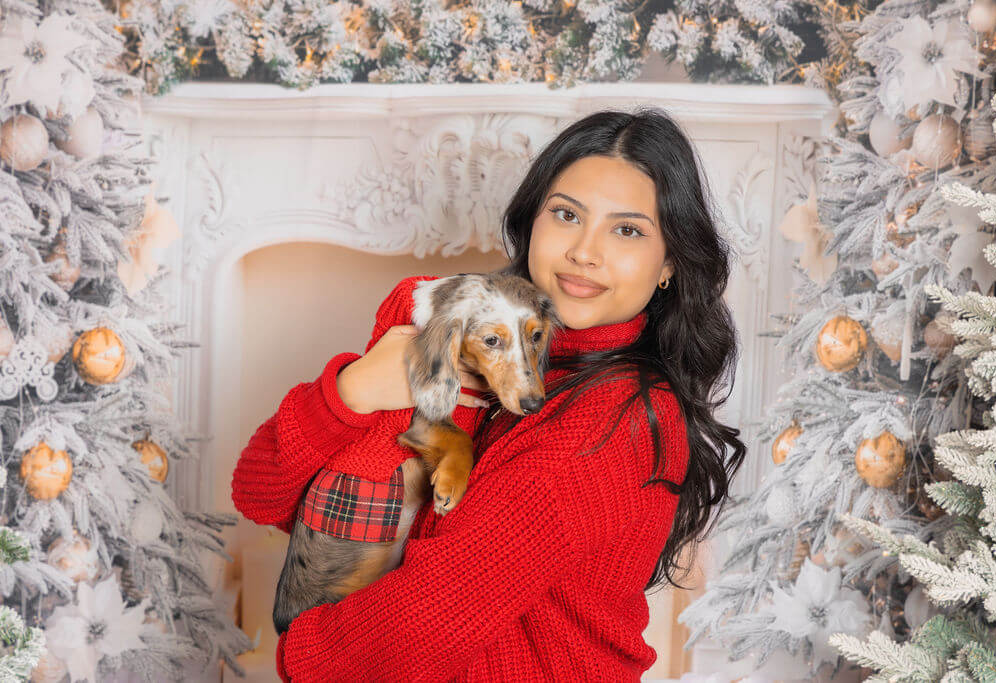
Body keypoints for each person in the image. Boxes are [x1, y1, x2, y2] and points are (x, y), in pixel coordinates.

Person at [231, 107, 747, 682]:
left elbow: (428, 620)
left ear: (670, 262)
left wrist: (297, 658)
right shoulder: (481, 346)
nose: (585, 251)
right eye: (567, 214)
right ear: (533, 224)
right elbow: (261, 494)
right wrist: (353, 391)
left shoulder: (609, 425)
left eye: (627, 230)